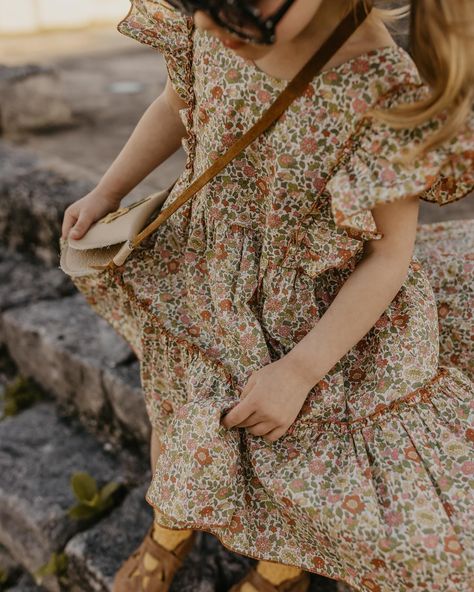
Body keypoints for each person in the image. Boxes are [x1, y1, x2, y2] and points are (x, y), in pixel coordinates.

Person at [59, 0, 474, 591]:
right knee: (177, 400)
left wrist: (302, 368)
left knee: (291, 447)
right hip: (208, 267)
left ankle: (280, 570)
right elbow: (180, 104)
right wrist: (108, 190)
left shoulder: (386, 93)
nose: (205, 24)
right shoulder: (220, 26)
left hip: (310, 309)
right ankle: (169, 529)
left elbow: (388, 254)